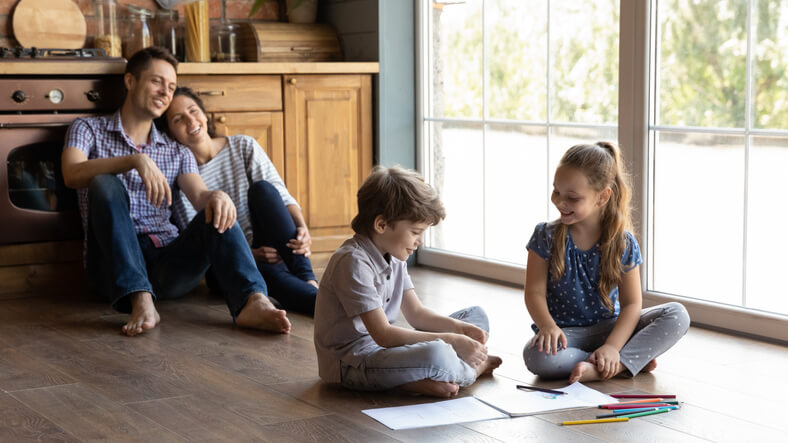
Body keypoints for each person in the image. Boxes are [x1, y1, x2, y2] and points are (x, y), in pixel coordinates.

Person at [61, 47, 291, 336]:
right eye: (157, 82)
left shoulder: (176, 152)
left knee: (216, 206)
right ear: (130, 81)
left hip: (168, 265)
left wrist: (216, 196)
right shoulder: (88, 129)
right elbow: (71, 173)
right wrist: (135, 160)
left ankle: (252, 301)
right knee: (103, 182)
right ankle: (139, 297)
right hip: (110, 268)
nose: (164, 92)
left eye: (170, 87)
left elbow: (199, 197)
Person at [313, 166, 502, 398]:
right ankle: (471, 370)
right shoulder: (352, 262)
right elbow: (383, 334)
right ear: (381, 225)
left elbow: (417, 314)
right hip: (352, 362)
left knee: (476, 316)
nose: (420, 241)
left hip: (385, 350)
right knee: (438, 354)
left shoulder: (394, 255)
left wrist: (459, 330)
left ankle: (418, 378)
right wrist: (453, 342)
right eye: (415, 232)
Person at [522, 141, 690, 382]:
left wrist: (612, 346)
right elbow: (534, 293)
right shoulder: (545, 236)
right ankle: (625, 361)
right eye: (556, 191)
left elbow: (632, 304)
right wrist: (547, 326)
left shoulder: (623, 242)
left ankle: (613, 361)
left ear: (602, 197)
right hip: (565, 335)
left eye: (572, 197)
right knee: (535, 356)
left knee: (677, 314)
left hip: (613, 329)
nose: (560, 201)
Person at [157, 87, 318, 315]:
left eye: (194, 111)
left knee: (263, 190)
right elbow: (197, 234)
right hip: (223, 261)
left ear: (204, 113)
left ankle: (308, 279)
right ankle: (323, 304)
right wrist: (248, 254)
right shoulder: (179, 175)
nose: (191, 120)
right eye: (178, 119)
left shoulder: (243, 145)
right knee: (266, 273)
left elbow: (279, 194)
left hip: (268, 241)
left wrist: (301, 228)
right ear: (170, 132)